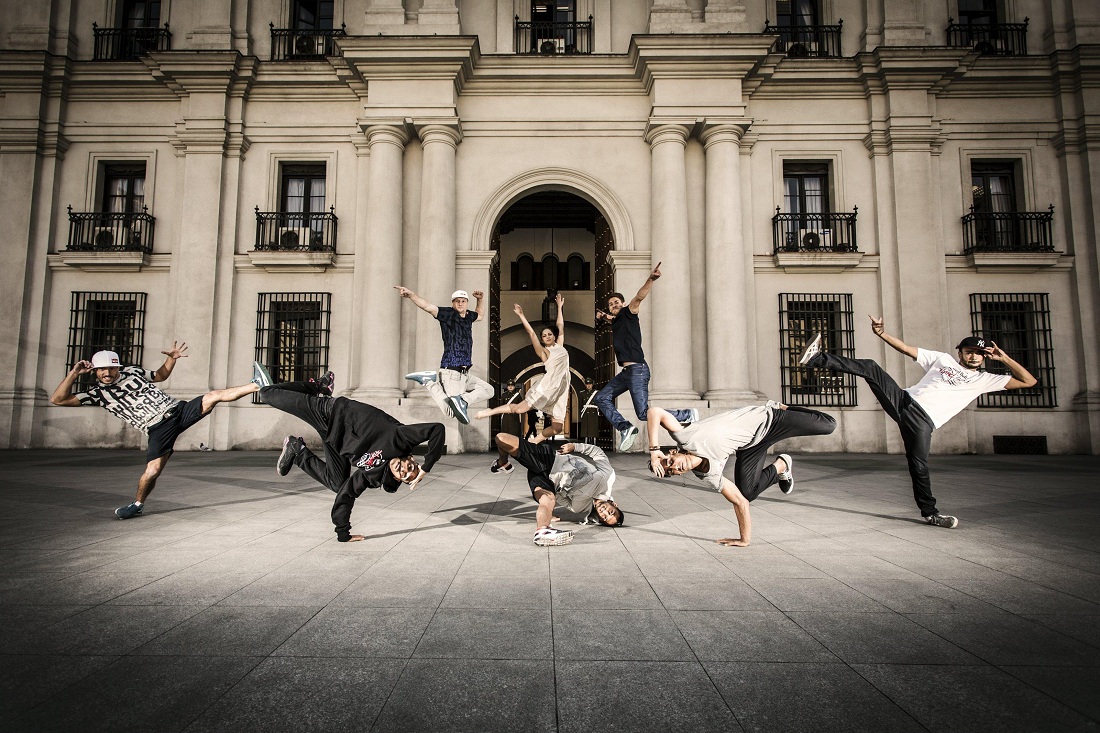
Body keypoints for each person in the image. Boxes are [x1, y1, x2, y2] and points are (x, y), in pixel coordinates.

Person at [798, 317, 1038, 528]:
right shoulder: (942, 360)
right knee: (871, 367)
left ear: (985, 357)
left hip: (923, 422)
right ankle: (816, 359)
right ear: (961, 353)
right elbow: (905, 349)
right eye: (969, 352)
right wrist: (882, 334)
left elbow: (1029, 382)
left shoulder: (987, 380)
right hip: (904, 399)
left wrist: (1004, 358)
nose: (973, 356)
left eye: (978, 354)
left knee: (919, 466)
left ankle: (931, 514)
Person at [48, 344, 261, 519]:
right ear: (95, 371)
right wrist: (74, 373)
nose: (107, 373)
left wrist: (172, 359)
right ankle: (137, 504)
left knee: (213, 395)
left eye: (111, 369)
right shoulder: (97, 394)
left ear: (117, 368)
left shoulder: (132, 371)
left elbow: (160, 375)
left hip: (178, 410)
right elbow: (58, 400)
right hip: (157, 429)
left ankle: (257, 386)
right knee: (152, 472)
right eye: (102, 370)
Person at [260, 371, 445, 542]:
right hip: (331, 412)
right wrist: (426, 467)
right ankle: (317, 386)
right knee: (266, 393)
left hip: (334, 441)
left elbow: (348, 493)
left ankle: (297, 450)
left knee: (339, 485)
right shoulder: (400, 438)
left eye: (404, 476)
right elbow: (437, 429)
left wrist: (343, 533)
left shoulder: (374, 474)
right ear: (410, 458)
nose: (404, 470)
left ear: (397, 478)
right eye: (410, 467)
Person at [647, 401, 836, 547]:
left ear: (672, 452)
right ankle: (781, 466)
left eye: (670, 462)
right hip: (751, 446)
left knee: (829, 425)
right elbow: (740, 502)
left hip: (771, 419)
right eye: (671, 472)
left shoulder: (684, 435)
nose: (675, 468)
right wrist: (744, 539)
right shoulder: (709, 474)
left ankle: (785, 407)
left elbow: (655, 412)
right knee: (747, 492)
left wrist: (655, 451)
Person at [593, 262, 697, 451]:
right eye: (611, 304)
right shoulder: (616, 320)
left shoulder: (629, 312)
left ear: (623, 304)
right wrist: (604, 317)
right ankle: (626, 428)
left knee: (643, 414)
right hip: (627, 373)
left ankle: (685, 414)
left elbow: (639, 297)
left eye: (616, 302)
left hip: (637, 371)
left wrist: (651, 279)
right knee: (601, 398)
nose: (614, 305)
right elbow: (610, 318)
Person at [489, 432, 623, 546]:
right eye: (611, 512)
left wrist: (549, 511)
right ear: (614, 505)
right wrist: (575, 446)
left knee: (548, 500)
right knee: (501, 438)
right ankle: (503, 463)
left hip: (548, 481)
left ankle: (542, 531)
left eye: (604, 518)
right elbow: (598, 453)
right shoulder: (608, 478)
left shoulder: (579, 508)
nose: (604, 512)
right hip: (549, 459)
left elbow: (560, 497)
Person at [476, 294, 570, 443]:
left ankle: (534, 441)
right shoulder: (544, 352)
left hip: (561, 390)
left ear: (554, 336)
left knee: (557, 427)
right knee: (519, 409)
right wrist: (521, 315)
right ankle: (491, 411)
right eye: (544, 335)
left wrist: (559, 307)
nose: (547, 336)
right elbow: (531, 333)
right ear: (542, 339)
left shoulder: (560, 346)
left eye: (549, 334)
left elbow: (560, 326)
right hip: (548, 387)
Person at [397, 286, 494, 425]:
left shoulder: (468, 316)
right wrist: (412, 295)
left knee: (489, 390)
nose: (460, 303)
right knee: (450, 411)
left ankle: (462, 400)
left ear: (467, 303)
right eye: (457, 301)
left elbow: (480, 315)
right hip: (451, 371)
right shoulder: (448, 314)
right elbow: (428, 307)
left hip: (465, 374)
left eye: (463, 301)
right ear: (453, 303)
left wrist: (480, 300)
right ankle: (430, 382)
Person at [577, 377, 600, 444]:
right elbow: (580, 405)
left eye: (590, 384)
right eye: (587, 384)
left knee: (593, 430)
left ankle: (594, 443)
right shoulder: (582, 393)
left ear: (592, 385)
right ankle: (586, 443)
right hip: (586, 413)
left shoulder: (597, 393)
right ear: (585, 385)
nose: (589, 385)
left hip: (593, 413)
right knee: (586, 431)